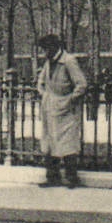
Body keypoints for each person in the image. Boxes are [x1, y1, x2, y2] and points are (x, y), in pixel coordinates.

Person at [34, 33, 88, 188]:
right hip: (50, 108)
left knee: (68, 144)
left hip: (66, 111)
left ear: (54, 47)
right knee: (50, 143)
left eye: (46, 49)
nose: (44, 53)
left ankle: (72, 178)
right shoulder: (48, 62)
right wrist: (45, 95)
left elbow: (81, 84)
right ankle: (52, 177)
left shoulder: (69, 61)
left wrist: (69, 100)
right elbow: (41, 82)